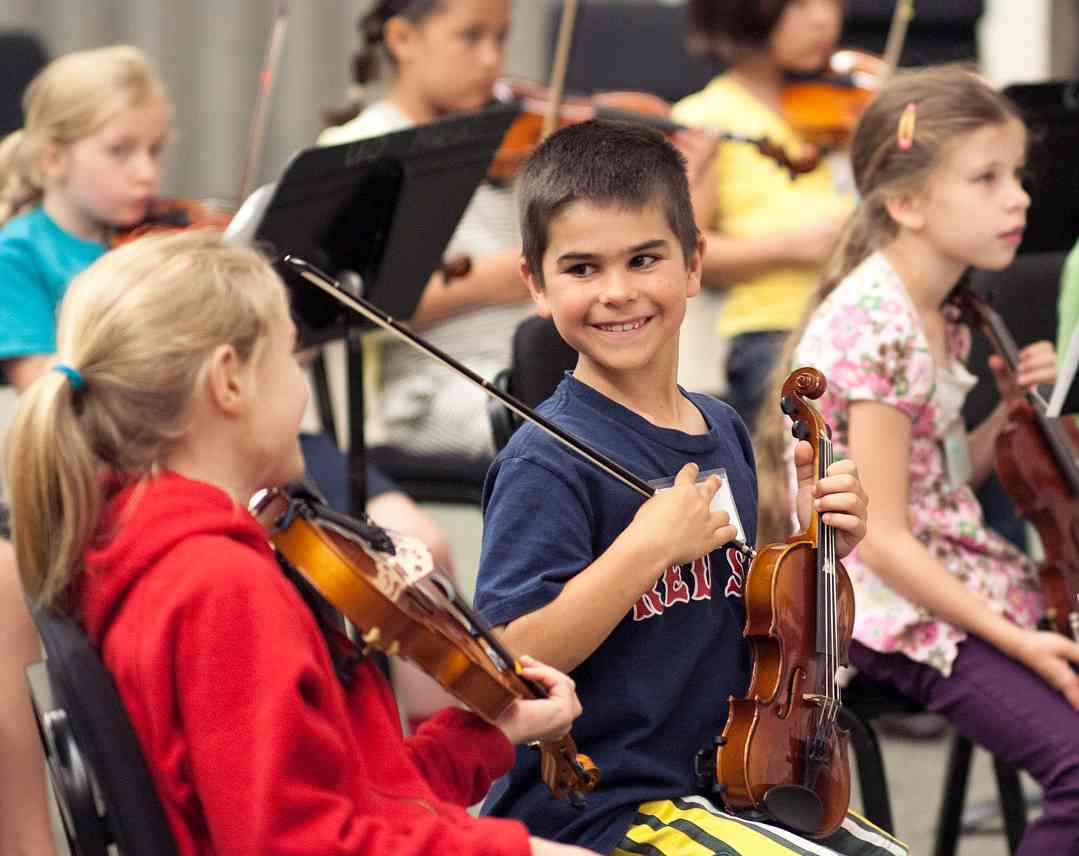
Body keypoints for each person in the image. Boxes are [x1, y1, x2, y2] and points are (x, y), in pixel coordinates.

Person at [4, 228, 596, 856]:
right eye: (291, 357)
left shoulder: (149, 547)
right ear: (229, 381)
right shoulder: (219, 587)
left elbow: (350, 798)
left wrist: (487, 735)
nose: (302, 388)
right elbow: (299, 843)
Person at [473, 119, 903, 856]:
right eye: (581, 269)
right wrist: (642, 552)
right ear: (534, 284)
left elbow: (766, 635)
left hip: (733, 780)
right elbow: (509, 664)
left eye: (644, 259)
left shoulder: (719, 427)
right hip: (606, 803)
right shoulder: (545, 463)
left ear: (694, 263)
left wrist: (820, 545)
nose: (617, 293)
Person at [755, 65, 1079, 853]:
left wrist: (1006, 413)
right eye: (987, 179)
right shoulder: (879, 324)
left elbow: (932, 481)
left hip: (946, 574)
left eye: (1016, 176)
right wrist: (1020, 641)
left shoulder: (938, 307)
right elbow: (887, 538)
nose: (1019, 199)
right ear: (904, 203)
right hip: (884, 608)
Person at [319, 0, 533, 460]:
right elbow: (345, 304)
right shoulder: (360, 151)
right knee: (562, 429)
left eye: (501, 38)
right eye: (471, 37)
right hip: (427, 394)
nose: (493, 60)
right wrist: (485, 283)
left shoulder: (508, 143)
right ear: (402, 40)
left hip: (522, 373)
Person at [670, 0, 854, 431]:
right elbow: (686, 255)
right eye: (800, 5)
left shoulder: (843, 105)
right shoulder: (706, 119)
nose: (824, 17)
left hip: (854, 322)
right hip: (776, 333)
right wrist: (792, 246)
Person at [0, 44, 169, 392]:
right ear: (53, 160)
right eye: (120, 151)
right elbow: (38, 386)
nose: (146, 172)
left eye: (154, 150)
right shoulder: (16, 255)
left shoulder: (153, 241)